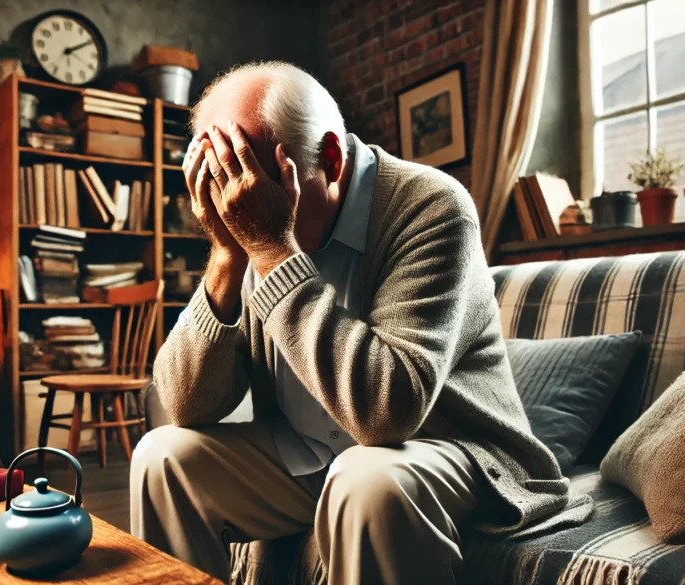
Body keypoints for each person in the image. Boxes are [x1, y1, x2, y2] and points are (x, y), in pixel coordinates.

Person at [130, 61, 590, 585]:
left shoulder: (432, 206)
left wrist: (271, 249)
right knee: (163, 455)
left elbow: (385, 414)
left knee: (366, 478)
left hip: (452, 455)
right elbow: (183, 406)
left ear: (330, 158)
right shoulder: (246, 227)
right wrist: (225, 256)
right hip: (306, 458)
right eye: (223, 183)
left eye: (254, 185)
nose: (239, 205)